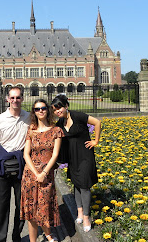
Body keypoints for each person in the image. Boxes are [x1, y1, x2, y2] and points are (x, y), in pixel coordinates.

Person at [0, 86, 31, 242]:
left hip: (22, 168)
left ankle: (16, 236)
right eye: (12, 98)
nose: (15, 100)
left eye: (18, 97)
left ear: (22, 99)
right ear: (7, 99)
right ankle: (0, 239)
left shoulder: (29, 117)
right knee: (2, 208)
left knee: (22, 206)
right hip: (3, 168)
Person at [51, 94, 101, 232]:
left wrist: (95, 141)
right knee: (77, 184)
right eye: (55, 110)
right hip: (72, 158)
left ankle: (86, 216)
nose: (58, 111)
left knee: (84, 186)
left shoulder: (78, 116)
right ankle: (79, 211)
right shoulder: (60, 123)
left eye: (59, 108)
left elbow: (97, 122)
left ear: (66, 106)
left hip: (85, 156)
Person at [21, 99, 64, 242]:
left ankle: (48, 235)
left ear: (47, 110)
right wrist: (36, 173)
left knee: (45, 206)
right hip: (30, 175)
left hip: (46, 175)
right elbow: (26, 154)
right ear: (34, 112)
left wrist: (44, 173)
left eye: (43, 108)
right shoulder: (31, 131)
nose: (40, 111)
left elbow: (55, 154)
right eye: (37, 109)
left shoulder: (55, 130)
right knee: (31, 210)